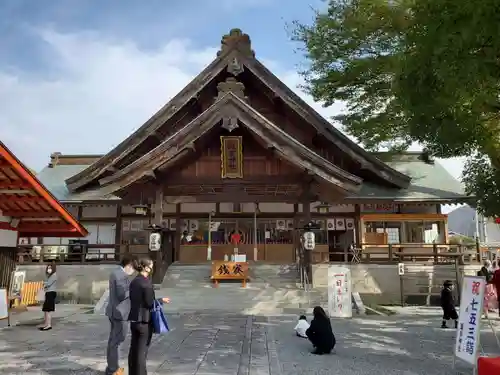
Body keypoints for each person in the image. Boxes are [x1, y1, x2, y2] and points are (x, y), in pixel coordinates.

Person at [128, 257, 170, 375]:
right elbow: (149, 303)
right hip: (144, 321)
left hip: (134, 319)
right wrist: (161, 300)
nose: (152, 268)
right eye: (151, 266)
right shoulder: (146, 283)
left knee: (134, 349)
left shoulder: (134, 281)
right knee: (142, 352)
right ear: (146, 267)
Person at [105, 255, 137, 375]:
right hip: (120, 313)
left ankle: (111, 367)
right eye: (133, 268)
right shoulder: (120, 275)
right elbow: (122, 294)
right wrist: (133, 288)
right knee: (117, 341)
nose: (133, 271)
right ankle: (113, 369)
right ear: (128, 265)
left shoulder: (116, 272)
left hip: (114, 311)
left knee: (113, 341)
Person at [39, 263, 57, 331]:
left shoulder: (54, 275)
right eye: (48, 268)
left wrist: (44, 283)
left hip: (51, 293)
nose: (49, 269)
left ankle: (48, 325)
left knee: (48, 310)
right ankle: (46, 324)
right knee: (46, 310)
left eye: (50, 268)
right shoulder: (50, 276)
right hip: (48, 293)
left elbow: (48, 284)